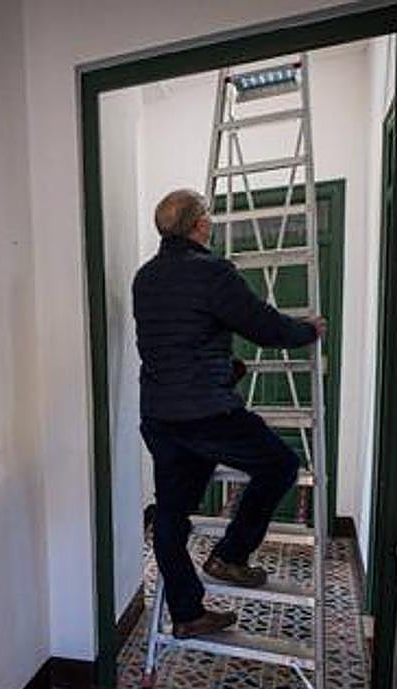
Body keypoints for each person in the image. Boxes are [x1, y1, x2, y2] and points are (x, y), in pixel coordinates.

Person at [133, 189, 326, 639]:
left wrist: (226, 367)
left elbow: (178, 338)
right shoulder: (213, 272)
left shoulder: (145, 277)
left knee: (171, 515)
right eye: (209, 217)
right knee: (280, 465)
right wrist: (307, 331)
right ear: (200, 225)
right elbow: (263, 326)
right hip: (205, 412)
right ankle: (231, 556)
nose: (212, 223)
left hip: (160, 415)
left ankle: (186, 613)